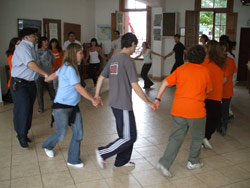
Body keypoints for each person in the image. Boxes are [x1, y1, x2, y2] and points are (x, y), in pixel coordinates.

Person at [94, 33, 156, 169]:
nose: (135, 49)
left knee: (126, 135)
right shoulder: (128, 60)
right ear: (133, 44)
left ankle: (121, 161)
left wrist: (97, 95)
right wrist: (148, 102)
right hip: (123, 105)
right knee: (129, 137)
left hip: (115, 104)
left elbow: (100, 77)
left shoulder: (113, 58)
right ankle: (103, 152)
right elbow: (135, 84)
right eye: (136, 46)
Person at [154, 45, 212, 177]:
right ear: (203, 58)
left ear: (189, 56)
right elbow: (208, 91)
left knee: (175, 138)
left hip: (178, 110)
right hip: (196, 112)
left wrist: (158, 99)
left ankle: (164, 163)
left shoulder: (181, 69)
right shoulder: (205, 71)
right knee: (197, 137)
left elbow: (164, 83)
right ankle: (193, 162)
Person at [42, 43, 101, 168]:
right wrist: (92, 99)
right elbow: (78, 87)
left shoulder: (69, 67)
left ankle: (73, 159)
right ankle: (47, 145)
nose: (82, 55)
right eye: (80, 53)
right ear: (74, 54)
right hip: (61, 107)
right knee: (61, 133)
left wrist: (48, 79)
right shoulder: (68, 68)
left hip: (73, 106)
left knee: (78, 133)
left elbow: (55, 74)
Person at [10, 27, 49, 148]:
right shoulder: (23, 48)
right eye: (34, 35)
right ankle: (20, 135)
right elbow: (31, 64)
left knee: (28, 109)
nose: (36, 37)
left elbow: (36, 64)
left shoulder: (32, 48)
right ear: (26, 37)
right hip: (19, 84)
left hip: (30, 84)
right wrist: (45, 74)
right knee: (22, 109)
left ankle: (24, 132)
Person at [201, 40, 227, 149]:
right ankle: (205, 137)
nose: (205, 49)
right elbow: (224, 79)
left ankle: (204, 138)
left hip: (207, 95)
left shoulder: (204, 62)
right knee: (214, 119)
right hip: (213, 95)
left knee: (210, 118)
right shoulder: (221, 63)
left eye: (207, 47)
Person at [217, 41, 237, 136]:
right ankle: (223, 127)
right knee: (224, 110)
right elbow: (233, 75)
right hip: (227, 90)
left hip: (218, 91)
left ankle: (219, 126)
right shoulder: (231, 61)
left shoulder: (217, 61)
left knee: (218, 110)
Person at [36, 37, 57, 113]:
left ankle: (55, 104)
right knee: (39, 92)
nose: (46, 42)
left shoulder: (50, 52)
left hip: (49, 75)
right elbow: (36, 65)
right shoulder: (37, 53)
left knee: (51, 90)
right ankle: (41, 107)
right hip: (39, 76)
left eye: (47, 41)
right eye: (44, 41)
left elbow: (53, 63)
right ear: (41, 42)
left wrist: (58, 69)